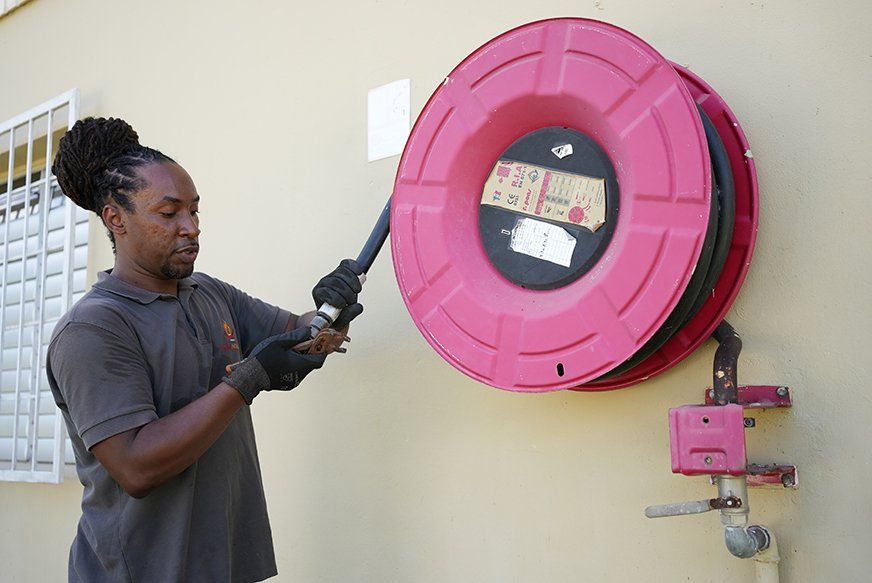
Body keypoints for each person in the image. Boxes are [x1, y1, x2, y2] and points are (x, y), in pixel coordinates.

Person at [46, 116, 364, 582]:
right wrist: (249, 379)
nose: (190, 227)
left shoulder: (208, 293)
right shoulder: (93, 329)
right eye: (169, 213)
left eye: (195, 212)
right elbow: (135, 467)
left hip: (226, 565)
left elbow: (297, 337)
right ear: (116, 218)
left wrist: (330, 312)